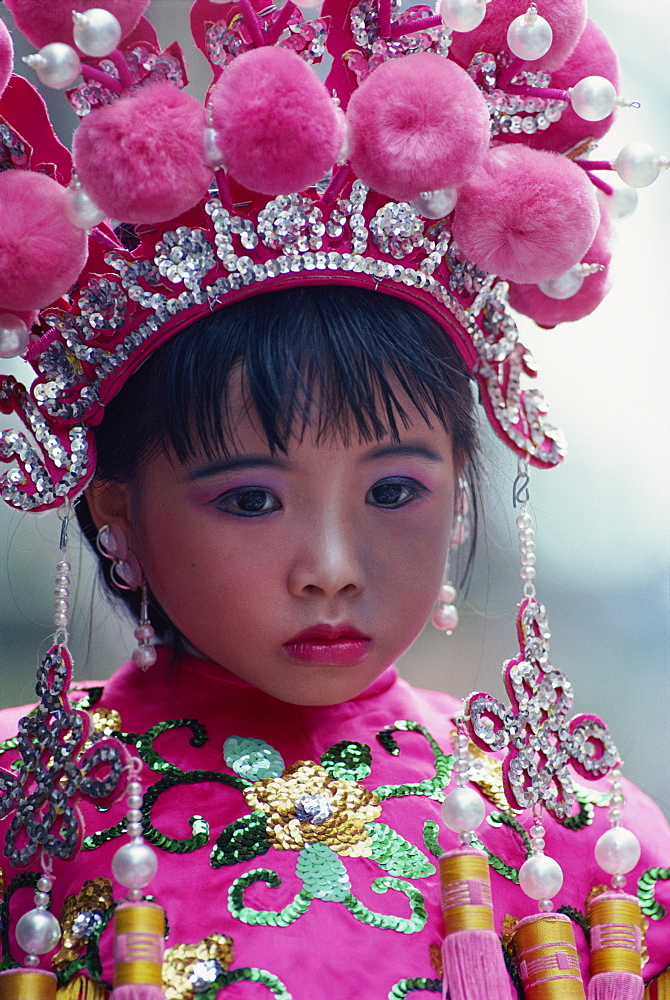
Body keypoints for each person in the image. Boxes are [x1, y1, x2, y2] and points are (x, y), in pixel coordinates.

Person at [0, 1, 668, 998]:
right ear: (117, 513)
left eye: (394, 488)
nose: (331, 565)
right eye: (251, 499)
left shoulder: (581, 838)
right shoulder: (23, 819)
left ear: (461, 496)